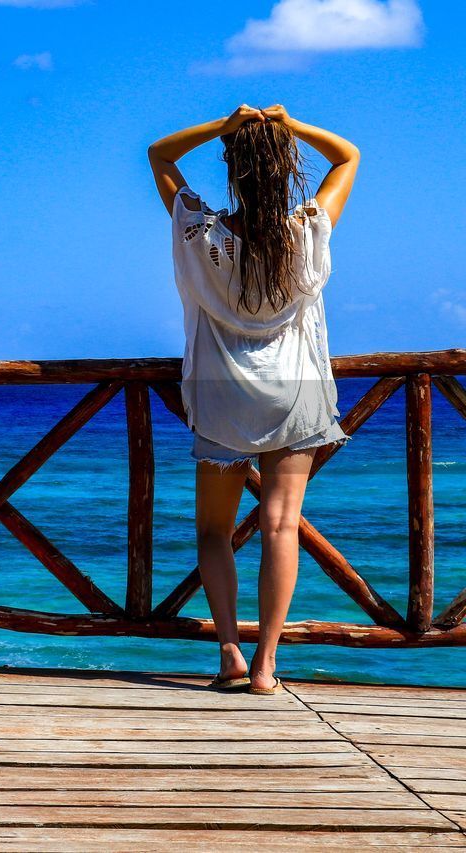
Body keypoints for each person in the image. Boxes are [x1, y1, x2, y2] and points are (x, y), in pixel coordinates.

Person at [147, 105, 360, 694]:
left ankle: (228, 654)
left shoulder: (202, 235)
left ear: (233, 174)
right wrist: (288, 127)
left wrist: (224, 126)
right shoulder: (307, 229)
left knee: (214, 532)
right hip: (299, 388)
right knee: (281, 524)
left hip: (221, 394)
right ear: (284, 172)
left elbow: (159, 155)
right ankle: (267, 664)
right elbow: (348, 156)